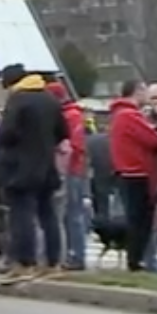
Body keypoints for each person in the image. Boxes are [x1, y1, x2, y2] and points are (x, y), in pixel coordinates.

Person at [0, 64, 70, 282]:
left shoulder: (18, 100)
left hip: (21, 168)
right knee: (49, 215)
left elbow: (6, 134)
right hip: (47, 167)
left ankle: (25, 263)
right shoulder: (49, 98)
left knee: (22, 217)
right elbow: (62, 132)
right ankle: (53, 262)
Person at [108, 79, 157, 273]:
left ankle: (136, 259)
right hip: (137, 172)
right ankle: (136, 260)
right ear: (137, 92)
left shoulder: (119, 115)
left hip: (127, 171)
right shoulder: (129, 115)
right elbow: (153, 141)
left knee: (138, 218)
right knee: (140, 220)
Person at [45, 83, 89, 270]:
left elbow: (72, 145)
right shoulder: (75, 114)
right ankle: (74, 254)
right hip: (75, 169)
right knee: (71, 214)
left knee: (71, 215)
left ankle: (75, 255)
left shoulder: (69, 116)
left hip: (70, 169)